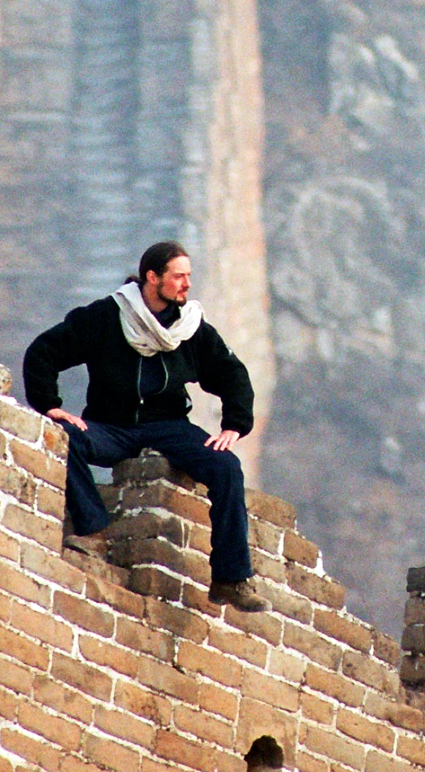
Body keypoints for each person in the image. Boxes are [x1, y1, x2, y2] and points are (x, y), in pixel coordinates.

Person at [22, 239, 264, 611]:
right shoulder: (106, 316)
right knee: (64, 438)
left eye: (189, 276)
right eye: (178, 276)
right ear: (153, 277)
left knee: (226, 467)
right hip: (111, 426)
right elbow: (44, 351)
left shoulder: (191, 327)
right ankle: (93, 530)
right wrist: (52, 407)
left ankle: (230, 578)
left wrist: (234, 425)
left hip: (168, 426)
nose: (186, 284)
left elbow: (231, 373)